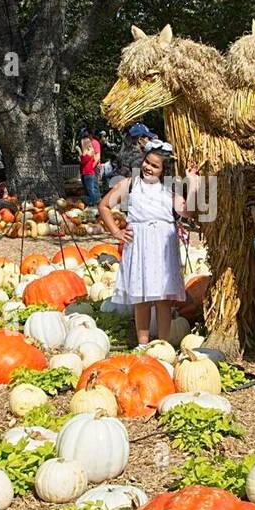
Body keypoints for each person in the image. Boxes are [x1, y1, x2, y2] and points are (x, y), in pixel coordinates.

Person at [97, 140, 196, 346]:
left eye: (155, 166)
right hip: (139, 243)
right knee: (141, 296)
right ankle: (142, 343)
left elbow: (187, 211)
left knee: (162, 298)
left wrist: (193, 184)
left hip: (162, 245)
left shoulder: (170, 190)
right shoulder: (130, 184)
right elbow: (104, 205)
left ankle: (162, 344)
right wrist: (116, 231)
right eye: (147, 162)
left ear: (163, 171)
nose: (148, 168)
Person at [111, 122, 152, 189]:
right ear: (140, 140)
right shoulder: (138, 156)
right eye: (148, 138)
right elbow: (136, 181)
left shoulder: (124, 151)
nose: (149, 140)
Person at [79, 129, 102, 205]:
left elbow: (96, 157)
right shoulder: (88, 147)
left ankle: (94, 202)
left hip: (90, 170)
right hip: (88, 171)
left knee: (92, 188)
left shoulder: (94, 144)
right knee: (90, 188)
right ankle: (94, 201)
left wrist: (91, 167)